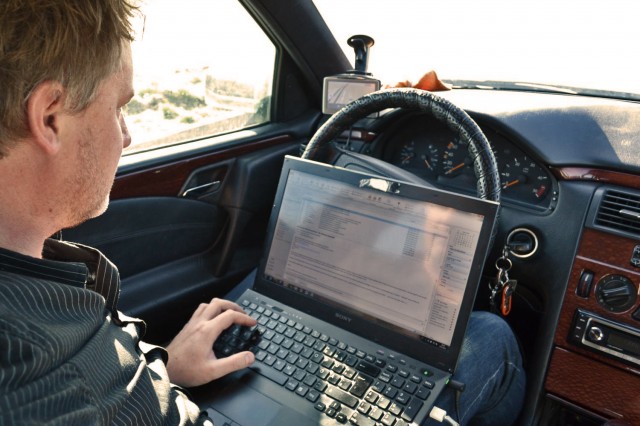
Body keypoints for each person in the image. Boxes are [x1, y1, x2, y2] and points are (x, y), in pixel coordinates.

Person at [0, 1, 524, 425]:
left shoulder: (37, 288)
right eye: (119, 108)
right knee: (489, 338)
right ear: (49, 118)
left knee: (268, 290)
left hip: (175, 387)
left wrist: (166, 369)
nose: (127, 133)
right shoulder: (44, 382)